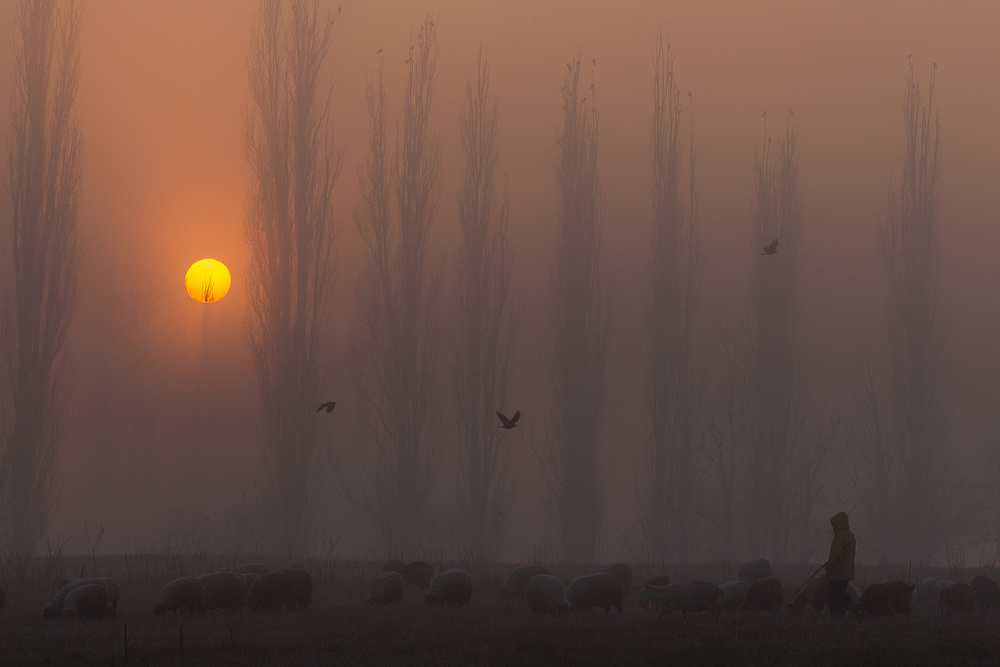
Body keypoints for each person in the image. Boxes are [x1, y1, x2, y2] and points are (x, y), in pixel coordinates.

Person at [825, 511, 856, 619]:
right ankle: (855, 610)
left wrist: (828, 566)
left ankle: (838, 618)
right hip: (847, 573)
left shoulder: (839, 536)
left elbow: (836, 556)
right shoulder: (850, 535)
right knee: (841, 595)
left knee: (832, 597)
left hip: (837, 573)